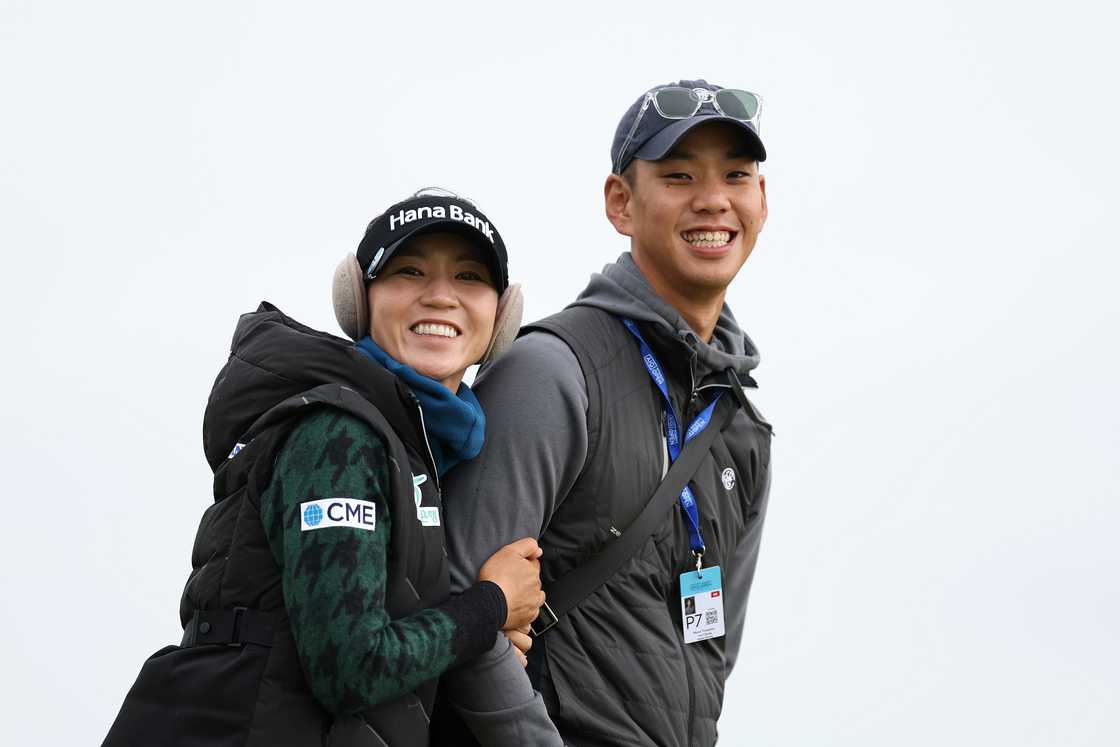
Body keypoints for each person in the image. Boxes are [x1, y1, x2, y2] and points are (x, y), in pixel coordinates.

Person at [102, 188, 551, 746]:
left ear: (500, 313)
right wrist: (492, 605)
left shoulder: (409, 444)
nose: (439, 296)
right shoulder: (339, 433)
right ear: (359, 300)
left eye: (468, 277)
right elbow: (351, 666)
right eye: (409, 272)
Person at [439, 80, 774, 747]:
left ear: (761, 200)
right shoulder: (553, 371)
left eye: (736, 175)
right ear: (621, 202)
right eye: (678, 176)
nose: (713, 199)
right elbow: (461, 609)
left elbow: (714, 651)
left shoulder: (740, 426)